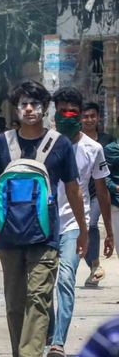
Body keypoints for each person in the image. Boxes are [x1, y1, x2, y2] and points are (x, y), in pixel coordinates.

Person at [0, 79, 85, 357]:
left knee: (38, 299)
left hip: (45, 238)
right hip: (9, 239)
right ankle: (21, 352)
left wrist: (83, 229)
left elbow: (73, 190)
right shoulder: (2, 143)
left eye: (35, 104)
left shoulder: (59, 144)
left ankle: (30, 354)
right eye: (23, 104)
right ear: (16, 110)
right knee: (14, 303)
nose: (29, 109)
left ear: (45, 108)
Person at [47, 87, 113, 357]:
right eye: (61, 111)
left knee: (65, 279)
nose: (67, 116)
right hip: (45, 223)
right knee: (41, 285)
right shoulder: (45, 143)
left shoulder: (93, 148)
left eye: (71, 111)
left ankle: (57, 343)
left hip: (77, 224)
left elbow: (102, 190)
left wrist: (109, 232)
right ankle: (50, 329)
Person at [81, 102, 114, 286]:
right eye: (85, 116)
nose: (89, 119)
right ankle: (93, 265)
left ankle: (95, 265)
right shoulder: (74, 140)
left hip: (99, 192)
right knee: (83, 229)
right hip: (79, 192)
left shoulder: (106, 141)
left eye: (92, 116)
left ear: (98, 117)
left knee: (91, 224)